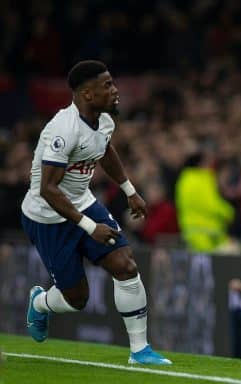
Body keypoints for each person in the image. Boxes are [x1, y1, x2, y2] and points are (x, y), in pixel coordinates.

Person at [21, 60, 171, 365]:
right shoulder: (62, 130)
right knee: (77, 299)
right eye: (107, 85)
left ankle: (139, 351)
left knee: (126, 265)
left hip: (83, 202)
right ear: (87, 94)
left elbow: (104, 150)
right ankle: (40, 302)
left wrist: (130, 190)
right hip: (47, 216)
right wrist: (90, 227)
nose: (115, 91)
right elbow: (48, 190)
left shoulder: (104, 121)